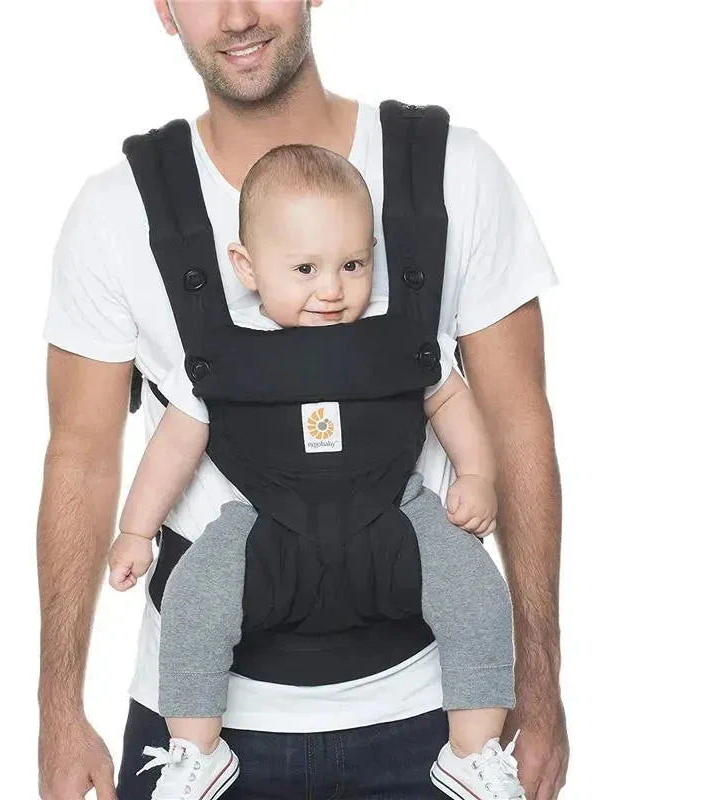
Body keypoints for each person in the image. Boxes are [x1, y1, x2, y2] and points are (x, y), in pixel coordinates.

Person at [37, 2, 568, 799]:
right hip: (193, 729)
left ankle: (472, 749)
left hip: (435, 712)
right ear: (164, 9)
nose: (237, 15)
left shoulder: (452, 173)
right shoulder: (116, 214)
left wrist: (540, 685)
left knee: (462, 586)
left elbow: (518, 422)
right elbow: (80, 456)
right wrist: (58, 709)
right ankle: (195, 748)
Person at [107, 143, 523, 800]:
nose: (332, 289)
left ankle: (473, 750)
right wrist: (136, 530)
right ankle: (195, 748)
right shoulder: (224, 353)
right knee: (192, 599)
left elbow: (448, 398)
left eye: (353, 265)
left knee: (476, 592)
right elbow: (174, 444)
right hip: (266, 530)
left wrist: (476, 474)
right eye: (305, 269)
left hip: (397, 520)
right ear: (246, 266)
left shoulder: (401, 336)